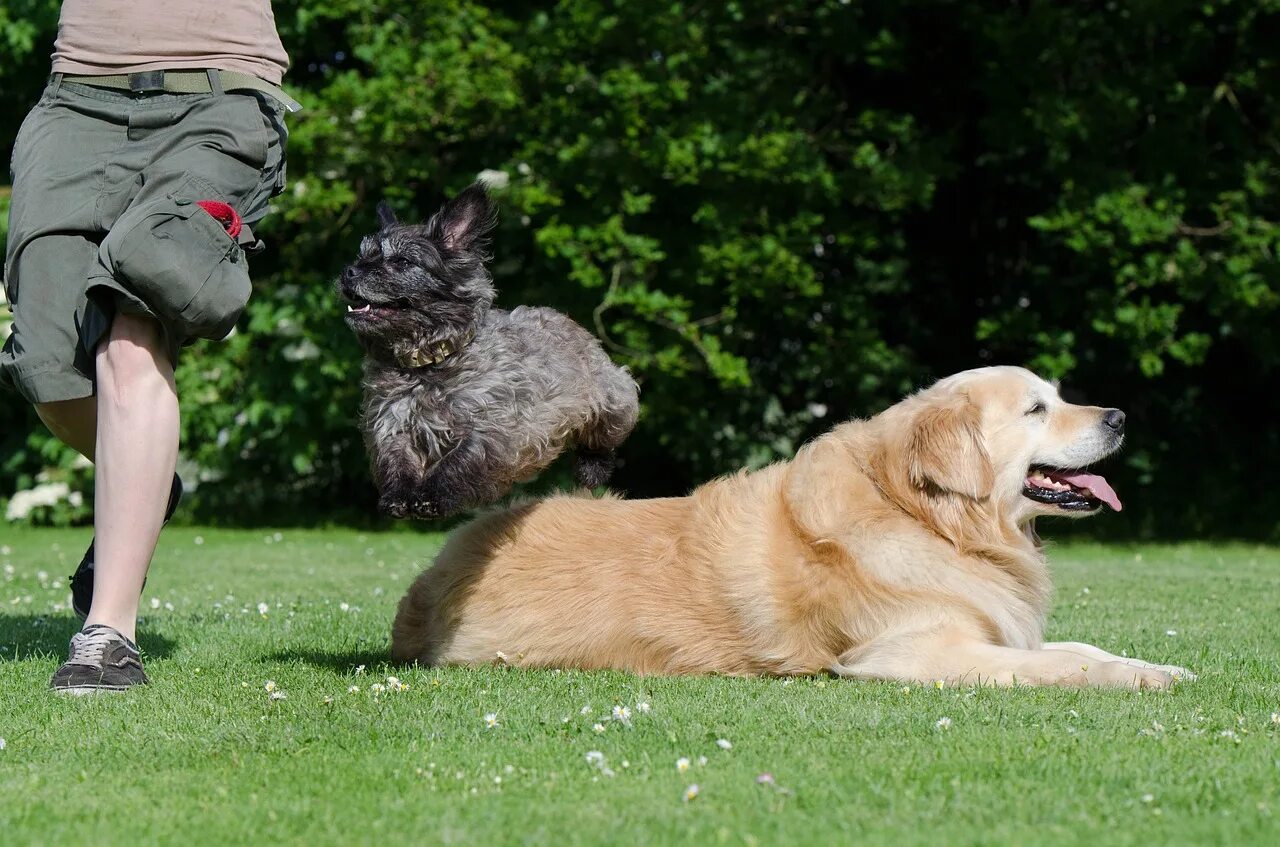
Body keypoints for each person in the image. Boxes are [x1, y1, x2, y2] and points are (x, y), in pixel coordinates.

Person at [0, 0, 299, 693]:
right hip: (76, 103)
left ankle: (108, 637)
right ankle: (146, 482)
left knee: (131, 334)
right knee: (47, 365)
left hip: (219, 100)